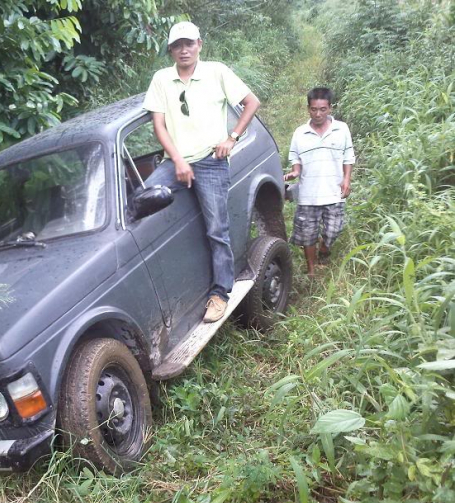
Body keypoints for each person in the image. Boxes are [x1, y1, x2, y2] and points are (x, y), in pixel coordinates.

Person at [142, 21, 261, 322]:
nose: (184, 49)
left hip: (211, 162)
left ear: (199, 44)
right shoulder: (161, 79)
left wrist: (231, 138)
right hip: (176, 163)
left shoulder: (216, 71)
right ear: (170, 50)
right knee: (143, 200)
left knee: (216, 230)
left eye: (189, 43)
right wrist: (179, 161)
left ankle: (220, 293)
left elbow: (251, 102)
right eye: (177, 45)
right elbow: (159, 125)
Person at [284, 87, 355, 278]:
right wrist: (294, 172)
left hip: (334, 191)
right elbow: (295, 158)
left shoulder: (341, 129)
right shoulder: (300, 133)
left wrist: (346, 179)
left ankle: (324, 248)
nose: (318, 114)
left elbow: (348, 157)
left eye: (322, 109)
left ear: (330, 108)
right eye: (314, 109)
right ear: (308, 108)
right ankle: (312, 270)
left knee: (334, 229)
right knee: (307, 235)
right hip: (308, 194)